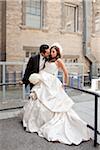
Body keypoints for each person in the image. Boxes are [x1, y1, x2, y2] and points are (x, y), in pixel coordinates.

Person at [22, 43, 90, 145]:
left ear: (57, 53)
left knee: (54, 103)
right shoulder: (48, 59)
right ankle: (37, 122)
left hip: (52, 82)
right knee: (38, 100)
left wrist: (65, 83)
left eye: (53, 51)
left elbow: (65, 73)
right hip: (43, 79)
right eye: (51, 51)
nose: (51, 53)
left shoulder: (59, 61)